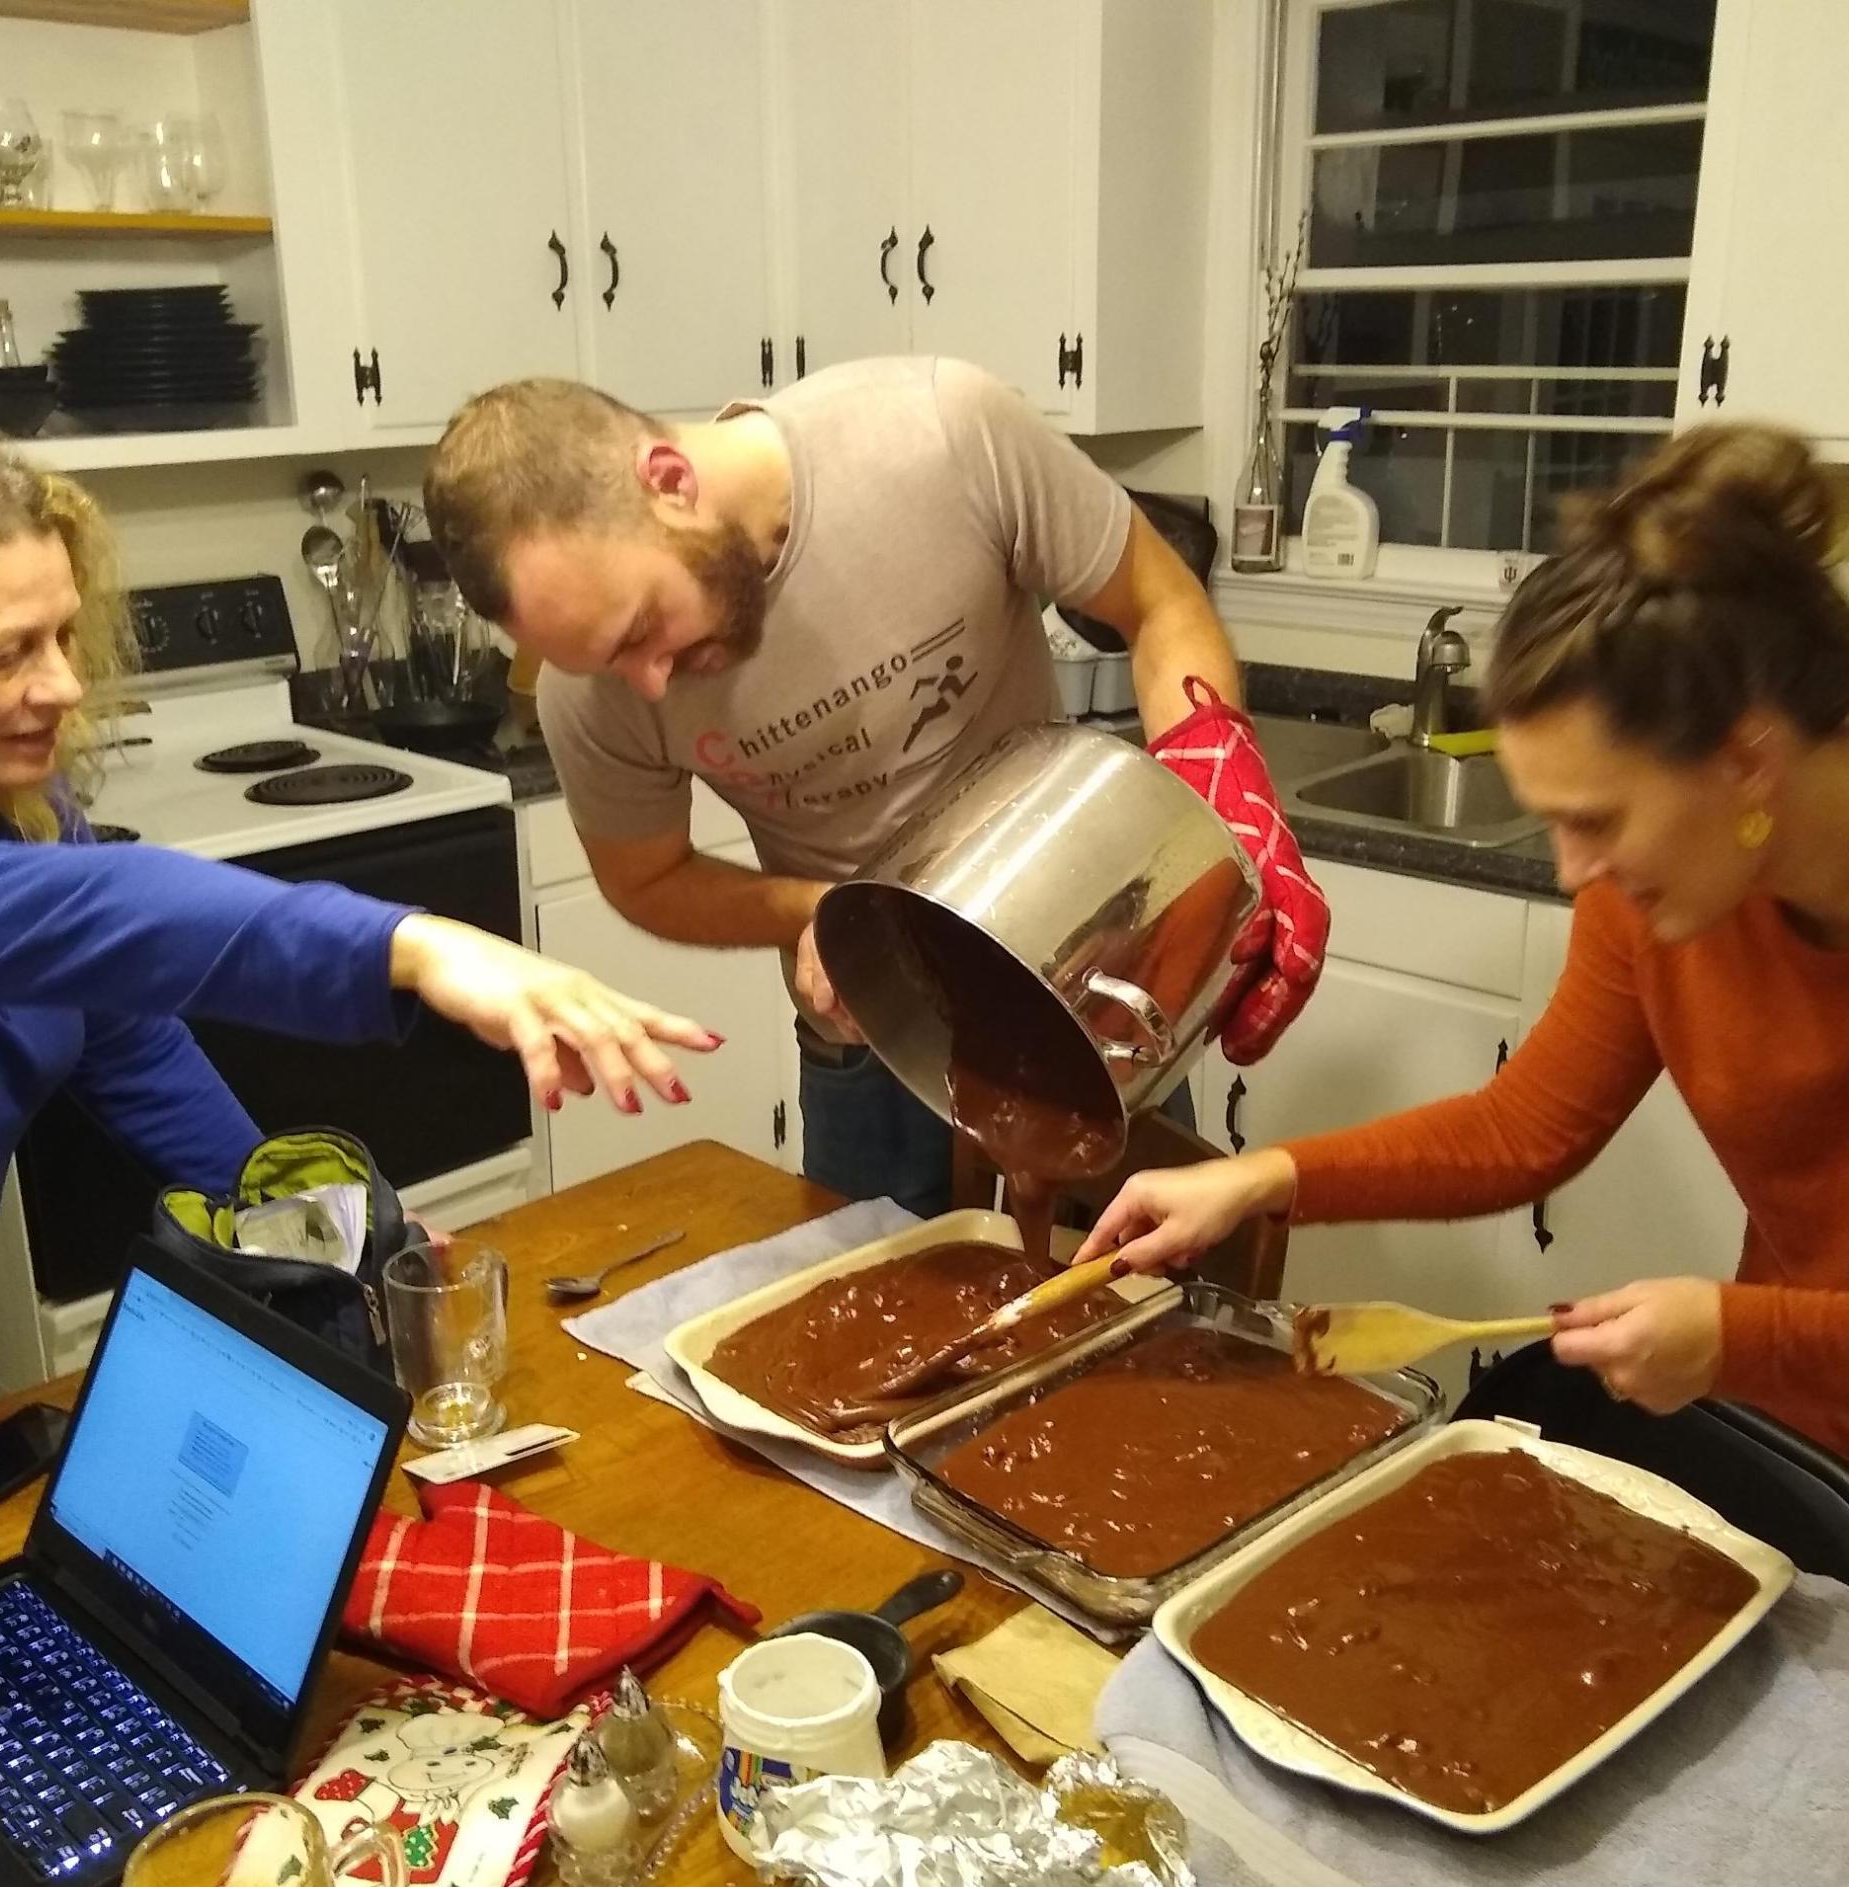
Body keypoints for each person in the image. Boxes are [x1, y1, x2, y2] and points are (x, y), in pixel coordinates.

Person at [1077, 423, 1849, 1458]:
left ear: (1746, 763)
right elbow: (1521, 1129)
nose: (1572, 870)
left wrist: (1731, 1330)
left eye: (1597, 818)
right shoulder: (1659, 898)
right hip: (1803, 1421)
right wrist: (1262, 1178)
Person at [422, 357, 1328, 1215]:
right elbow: (645, 879)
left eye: (642, 629)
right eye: (608, 663)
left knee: (1152, 1327)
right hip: (878, 1036)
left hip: (1095, 977)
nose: (650, 683)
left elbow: (1158, 601)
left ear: (668, 479)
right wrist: (822, 910)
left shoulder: (939, 436)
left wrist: (1221, 772)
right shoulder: (592, 695)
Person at [0, 427, 717, 1419]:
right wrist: (417, 944)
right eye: (6, 652)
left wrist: (322, 1230)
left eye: (60, 635)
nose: (62, 685)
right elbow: (100, 914)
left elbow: (123, 1037)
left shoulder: (23, 809)